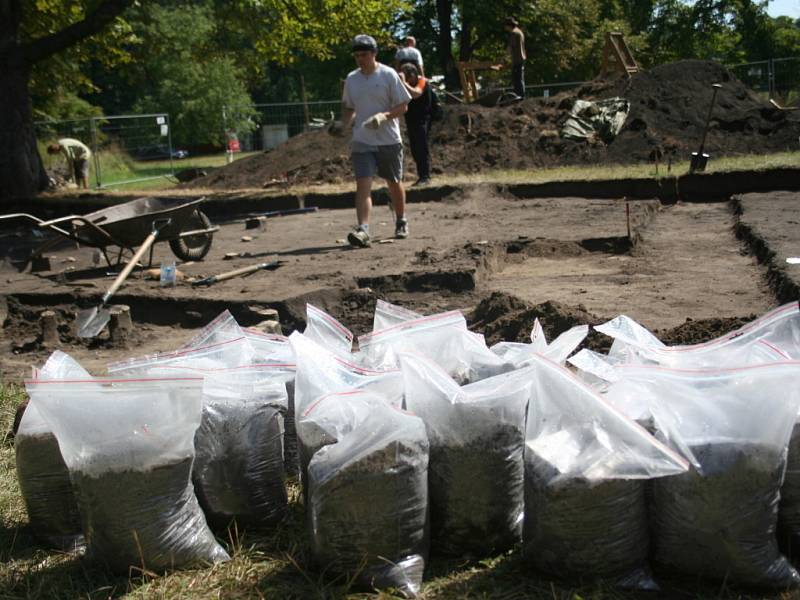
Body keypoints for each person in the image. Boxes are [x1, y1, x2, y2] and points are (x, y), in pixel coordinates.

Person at [335, 34, 412, 248]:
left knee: (394, 182)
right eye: (357, 55)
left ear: (374, 54)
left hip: (388, 139)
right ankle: (363, 229)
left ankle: (401, 220)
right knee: (363, 184)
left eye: (364, 55)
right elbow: (349, 108)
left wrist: (383, 116)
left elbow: (404, 105)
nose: (361, 59)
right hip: (362, 139)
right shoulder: (352, 79)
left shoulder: (388, 75)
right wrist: (344, 125)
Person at [398, 63, 432, 186]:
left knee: (421, 147)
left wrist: (403, 83)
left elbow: (416, 94)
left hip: (423, 119)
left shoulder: (422, 81)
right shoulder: (405, 85)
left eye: (407, 77)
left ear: (412, 75)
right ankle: (421, 176)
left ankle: (425, 176)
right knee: (415, 149)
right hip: (411, 120)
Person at [504, 17, 526, 99]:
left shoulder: (514, 33)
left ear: (509, 25)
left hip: (517, 59)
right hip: (521, 58)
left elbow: (510, 47)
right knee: (520, 78)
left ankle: (519, 97)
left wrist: (505, 58)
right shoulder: (520, 32)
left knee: (517, 79)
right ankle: (521, 96)